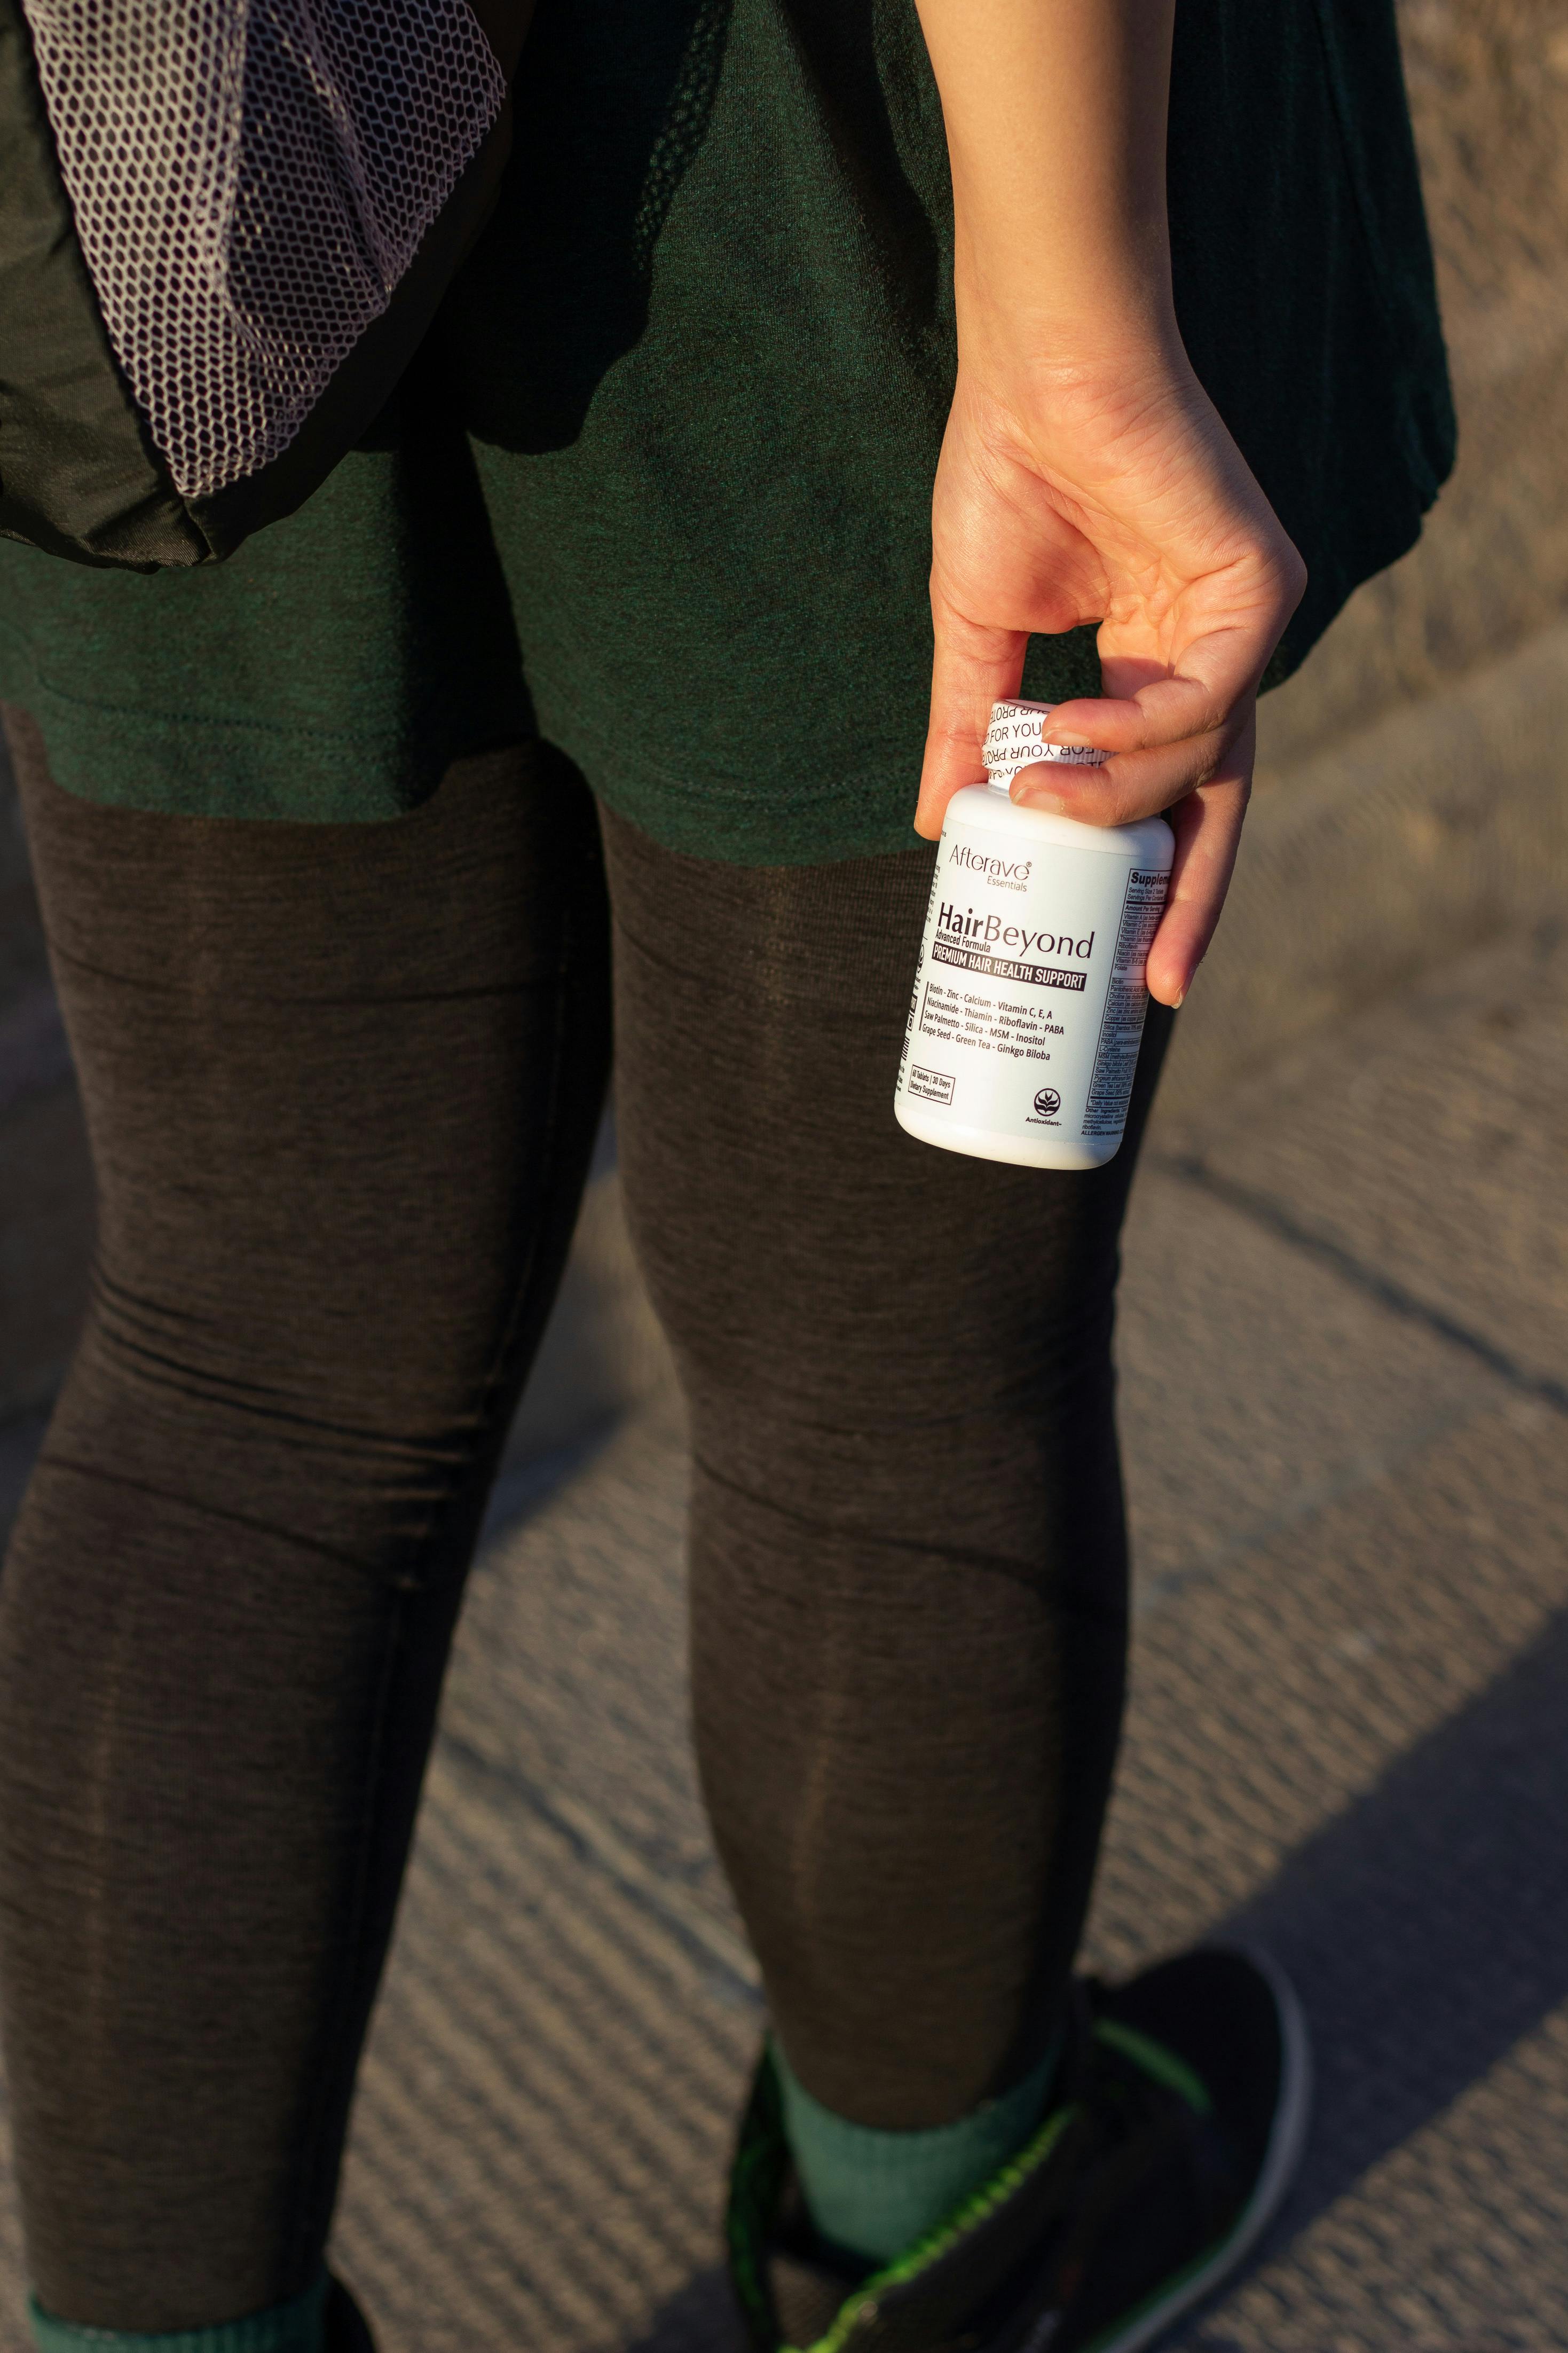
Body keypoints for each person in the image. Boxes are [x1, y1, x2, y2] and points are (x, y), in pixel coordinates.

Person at [0, 1, 1452, 2349]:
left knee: (247, 1378)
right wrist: (1072, 309)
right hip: (849, 169)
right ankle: (935, 2238)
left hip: (186, 156)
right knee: (881, 1371)